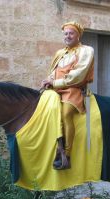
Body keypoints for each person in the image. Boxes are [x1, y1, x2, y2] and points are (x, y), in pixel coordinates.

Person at [41, 21, 94, 170]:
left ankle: (66, 154)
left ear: (78, 35)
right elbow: (53, 72)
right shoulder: (60, 53)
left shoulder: (86, 50)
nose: (67, 36)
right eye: (65, 33)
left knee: (65, 114)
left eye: (71, 33)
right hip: (55, 89)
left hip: (74, 90)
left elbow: (78, 75)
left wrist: (55, 83)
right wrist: (48, 80)